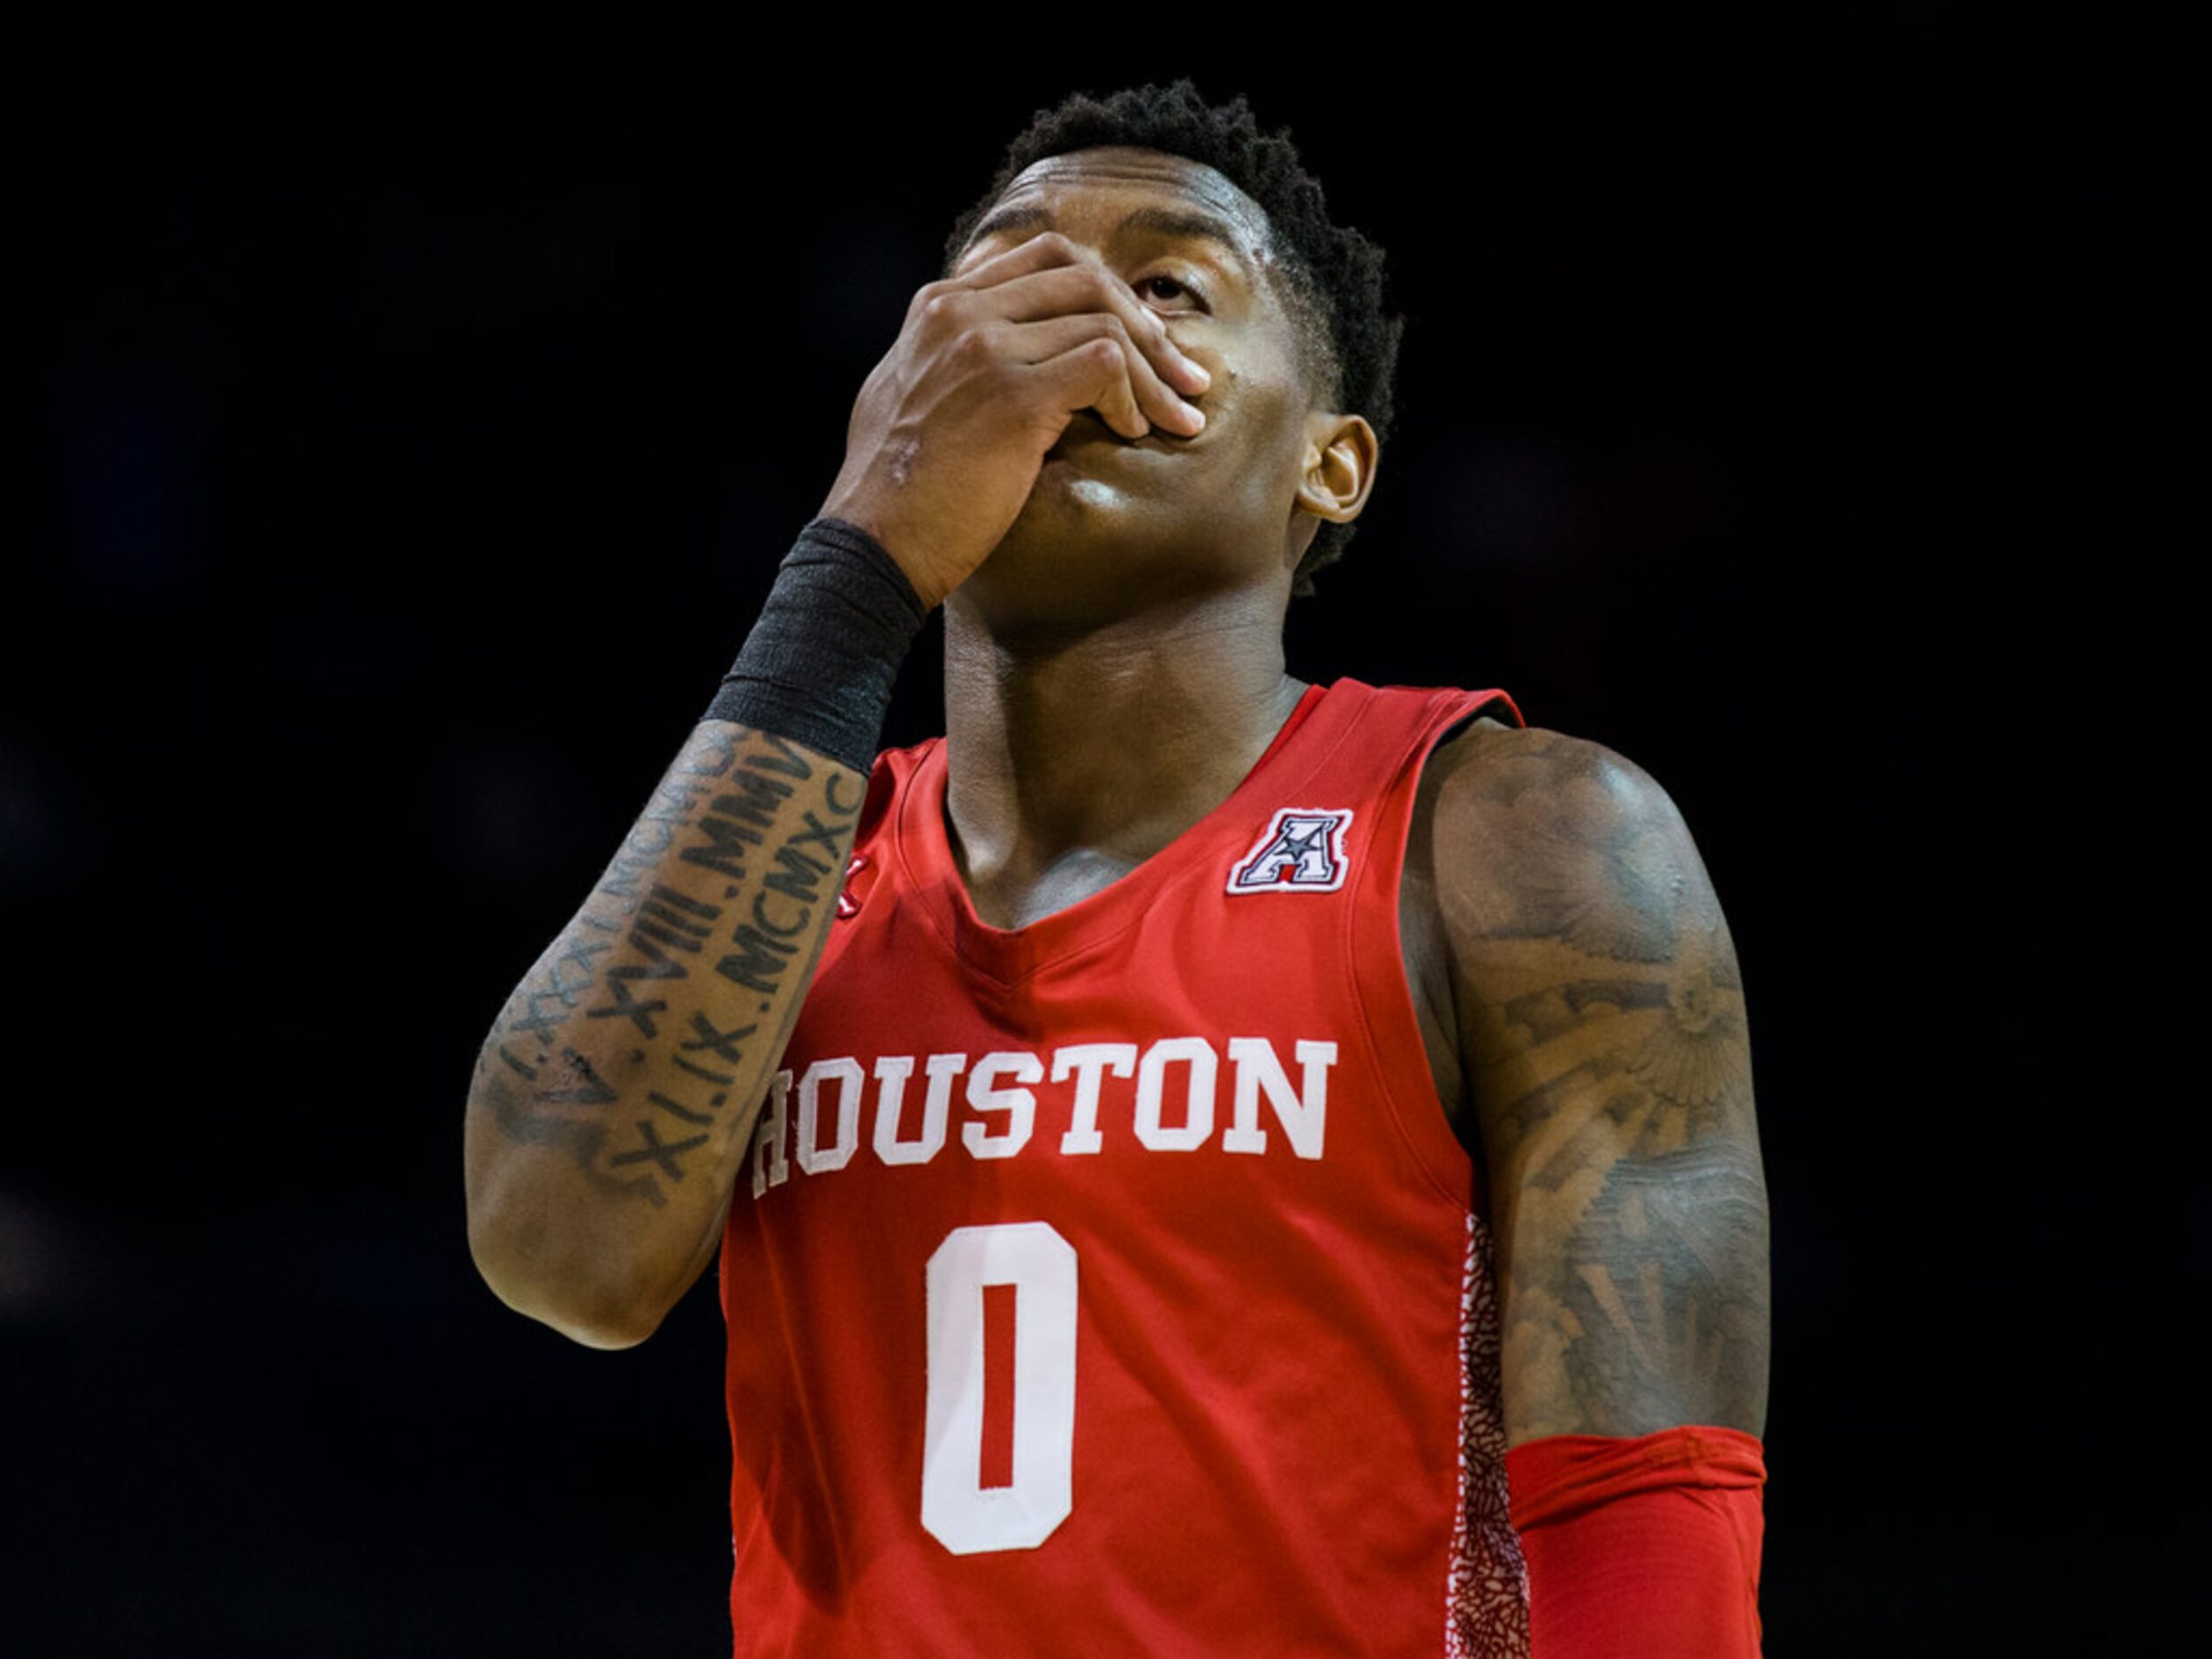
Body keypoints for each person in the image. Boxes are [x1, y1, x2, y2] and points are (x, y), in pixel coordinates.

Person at [464, 80, 1771, 1657]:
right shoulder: (788, 872)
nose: (1076, 327)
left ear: (1332, 464)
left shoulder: (1516, 842)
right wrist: (860, 551)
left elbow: (1654, 1535)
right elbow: (555, 1246)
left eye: (1169, 287)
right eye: (1013, 285)